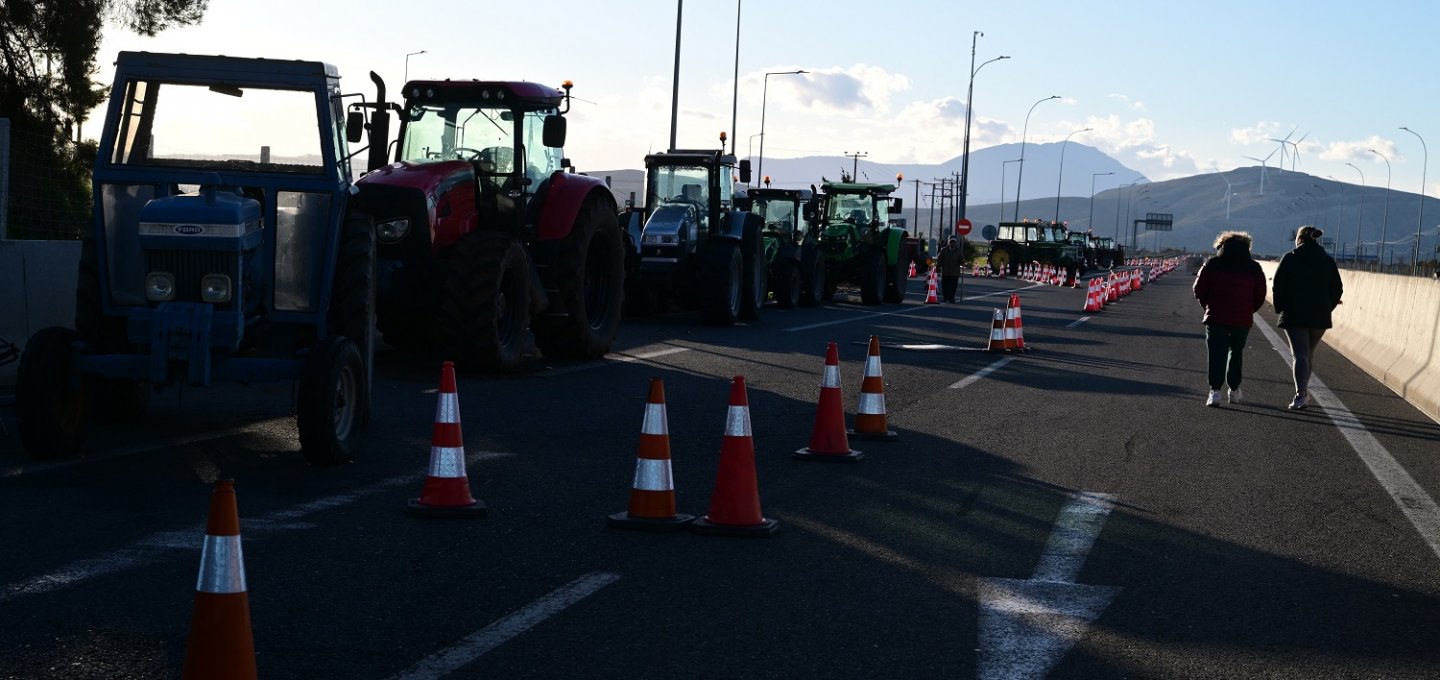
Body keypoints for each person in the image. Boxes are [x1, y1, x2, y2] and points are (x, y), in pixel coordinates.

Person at [1272, 225, 1343, 410]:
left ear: (1299, 239)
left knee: (1300, 354)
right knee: (1308, 354)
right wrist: (1327, 307)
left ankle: (1300, 395)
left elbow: (1278, 285)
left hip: (1294, 314)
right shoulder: (1327, 261)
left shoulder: (1290, 258)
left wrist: (1280, 307)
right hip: (1320, 316)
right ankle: (1303, 392)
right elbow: (1337, 288)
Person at [1192, 230, 1266, 407]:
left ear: (1221, 245)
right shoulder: (1254, 267)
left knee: (1216, 353)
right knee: (1236, 352)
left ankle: (1215, 392)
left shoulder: (1212, 264)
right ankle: (1233, 390)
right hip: (1242, 319)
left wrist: (1208, 306)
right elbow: (1260, 295)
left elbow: (1198, 289)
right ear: (1247, 247)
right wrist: (1248, 310)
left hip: (1216, 317)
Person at [937, 237, 963, 303]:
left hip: (955, 273)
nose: (952, 243)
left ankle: (951, 298)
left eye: (953, 242)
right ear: (948, 242)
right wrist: (938, 268)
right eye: (951, 242)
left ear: (955, 243)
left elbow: (962, 259)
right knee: (945, 286)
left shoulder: (958, 251)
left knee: (953, 287)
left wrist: (963, 262)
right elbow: (939, 259)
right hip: (945, 271)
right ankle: (945, 297)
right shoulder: (944, 250)